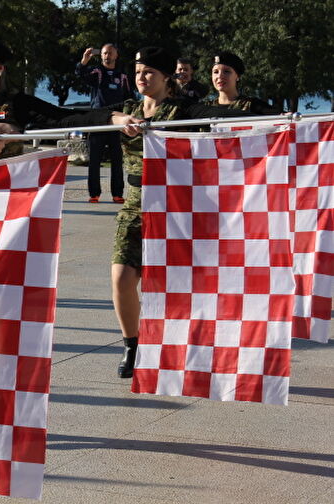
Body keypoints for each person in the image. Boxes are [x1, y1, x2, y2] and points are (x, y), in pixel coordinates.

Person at [107, 47, 252, 379]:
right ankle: (133, 344)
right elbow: (85, 117)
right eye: (138, 71)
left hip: (176, 210)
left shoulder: (183, 110)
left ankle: (197, 345)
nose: (142, 78)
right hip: (135, 206)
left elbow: (220, 120)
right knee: (121, 278)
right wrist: (116, 120)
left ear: (165, 78)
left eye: (149, 73)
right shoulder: (128, 108)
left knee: (183, 287)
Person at [0, 33, 138, 161]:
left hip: (4, 199)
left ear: (0, 69)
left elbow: (64, 118)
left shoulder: (16, 103)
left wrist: (114, 118)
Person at [75, 43, 133, 203]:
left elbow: (129, 98)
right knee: (94, 160)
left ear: (116, 55)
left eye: (110, 53)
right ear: (101, 55)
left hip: (116, 123)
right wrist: (84, 60)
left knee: (117, 160)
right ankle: (94, 194)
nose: (108, 56)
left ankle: (117, 193)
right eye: (105, 53)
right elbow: (80, 73)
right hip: (97, 122)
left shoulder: (123, 76)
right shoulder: (97, 72)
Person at [207, 51, 281, 114]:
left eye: (226, 71)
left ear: (237, 77)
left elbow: (282, 119)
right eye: (215, 72)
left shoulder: (253, 106)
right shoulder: (205, 108)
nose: (220, 76)